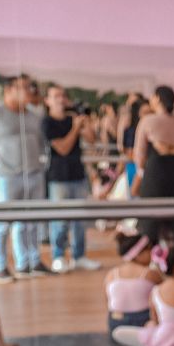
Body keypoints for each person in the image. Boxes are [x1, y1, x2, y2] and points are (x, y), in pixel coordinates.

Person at [0, 78, 51, 283]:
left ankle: (29, 262)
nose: (28, 91)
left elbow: (43, 143)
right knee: (3, 222)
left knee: (31, 221)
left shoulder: (34, 116)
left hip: (33, 173)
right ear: (9, 90)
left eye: (29, 87)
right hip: (5, 176)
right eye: (24, 87)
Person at [42, 83, 100, 272]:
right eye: (56, 96)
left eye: (63, 96)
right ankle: (58, 256)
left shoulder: (72, 118)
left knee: (80, 220)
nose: (61, 99)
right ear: (47, 101)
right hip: (58, 177)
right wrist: (75, 128)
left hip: (78, 175)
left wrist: (85, 122)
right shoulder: (47, 122)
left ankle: (79, 256)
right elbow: (63, 148)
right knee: (59, 220)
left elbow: (92, 139)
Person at [134, 86, 174, 247]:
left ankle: (154, 260)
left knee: (152, 222)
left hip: (156, 174)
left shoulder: (148, 121)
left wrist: (141, 173)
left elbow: (139, 156)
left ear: (157, 99)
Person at [104, 233, 164, 332]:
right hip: (142, 320)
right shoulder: (150, 274)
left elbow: (107, 301)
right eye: (149, 250)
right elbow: (164, 296)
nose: (151, 255)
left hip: (116, 322)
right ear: (138, 254)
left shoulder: (111, 275)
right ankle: (145, 332)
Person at [118, 95, 145, 193]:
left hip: (133, 166)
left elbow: (124, 149)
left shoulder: (129, 130)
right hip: (141, 166)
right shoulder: (140, 129)